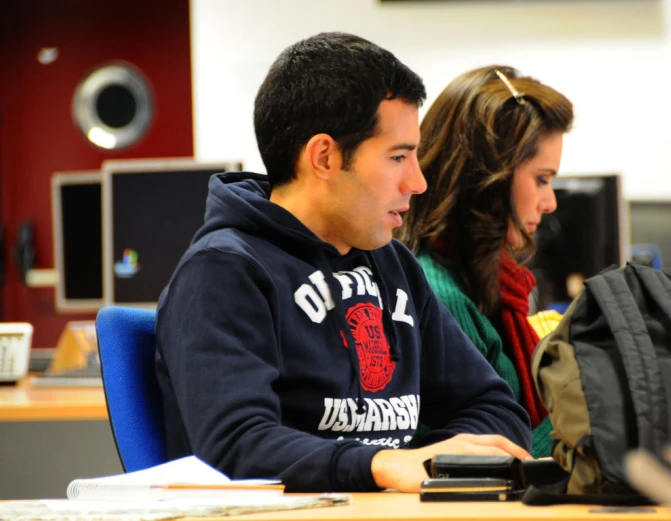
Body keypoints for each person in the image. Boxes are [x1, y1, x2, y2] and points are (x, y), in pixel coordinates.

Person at [155, 33, 533, 494]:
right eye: (398, 157)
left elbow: (493, 404)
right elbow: (234, 447)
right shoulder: (223, 271)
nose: (416, 182)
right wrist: (383, 466)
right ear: (325, 157)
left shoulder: (392, 262)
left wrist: (432, 462)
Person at [396, 65, 574, 458]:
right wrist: (588, 406)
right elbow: (499, 453)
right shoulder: (440, 292)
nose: (550, 202)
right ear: (488, 179)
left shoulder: (492, 281)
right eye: (542, 179)